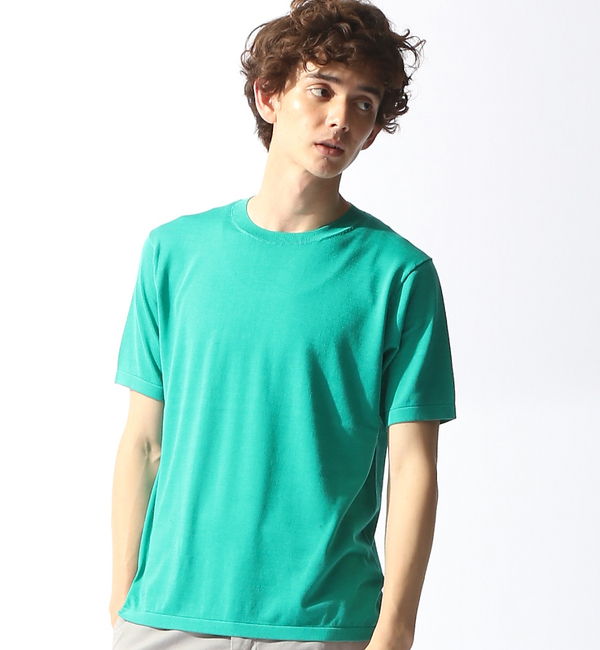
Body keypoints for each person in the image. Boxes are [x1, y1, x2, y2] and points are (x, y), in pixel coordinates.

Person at [109, 1, 456, 649]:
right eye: (322, 90)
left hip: (323, 623)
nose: (341, 117)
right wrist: (123, 599)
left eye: (363, 103)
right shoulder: (173, 253)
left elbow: (413, 467)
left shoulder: (398, 274)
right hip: (165, 616)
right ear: (268, 96)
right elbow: (143, 443)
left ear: (374, 129)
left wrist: (396, 630)